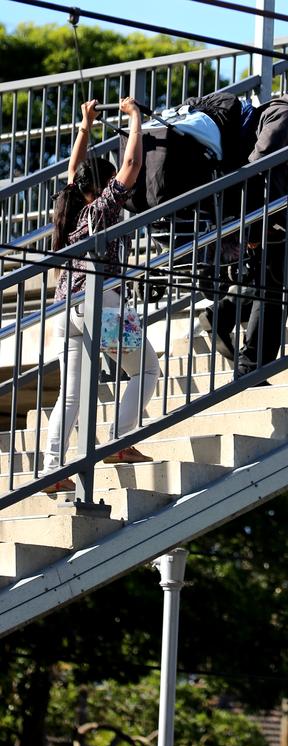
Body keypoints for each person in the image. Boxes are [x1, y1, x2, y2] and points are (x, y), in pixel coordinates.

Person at [42, 97, 160, 493]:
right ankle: (120, 441)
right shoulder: (101, 211)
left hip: (65, 309)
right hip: (103, 306)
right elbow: (132, 166)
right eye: (108, 184)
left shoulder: (71, 209)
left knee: (71, 395)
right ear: (101, 189)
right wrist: (136, 119)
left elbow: (74, 172)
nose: (117, 189)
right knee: (147, 368)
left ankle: (53, 468)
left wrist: (85, 126)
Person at [198, 66, 288, 379]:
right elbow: (258, 165)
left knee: (271, 280)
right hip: (265, 217)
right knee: (275, 284)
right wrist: (255, 225)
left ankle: (223, 315)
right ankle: (251, 367)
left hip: (274, 216)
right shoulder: (285, 114)